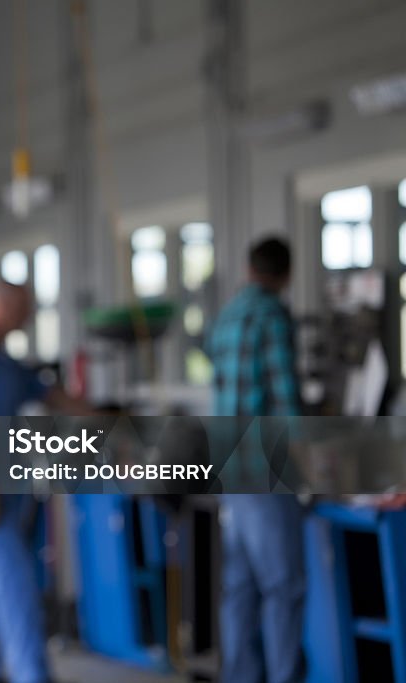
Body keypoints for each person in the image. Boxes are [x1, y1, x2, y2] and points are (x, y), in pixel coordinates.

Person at [0, 280, 87, 683]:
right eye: (24, 307)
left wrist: (102, 414)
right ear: (2, 307)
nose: (29, 315)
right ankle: (32, 675)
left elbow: (47, 393)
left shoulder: (3, 361)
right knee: (15, 590)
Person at [206, 237, 305, 683]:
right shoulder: (273, 316)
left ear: (249, 269)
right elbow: (285, 403)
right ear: (285, 275)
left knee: (241, 587)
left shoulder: (226, 317)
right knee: (283, 587)